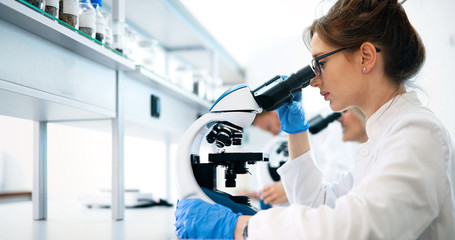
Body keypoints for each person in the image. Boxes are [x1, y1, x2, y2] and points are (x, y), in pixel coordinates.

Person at [175, 0, 455, 239]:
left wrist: (241, 229)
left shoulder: (418, 132)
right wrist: (297, 131)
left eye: (320, 63)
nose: (313, 80)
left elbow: (358, 229)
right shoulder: (385, 136)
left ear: (366, 57)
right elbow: (317, 202)